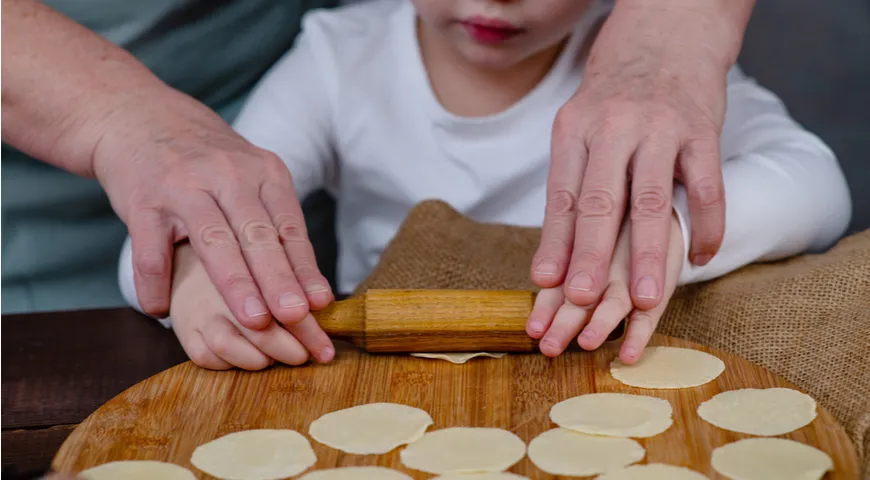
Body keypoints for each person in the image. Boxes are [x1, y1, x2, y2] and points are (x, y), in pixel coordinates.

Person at [117, 0, 851, 370]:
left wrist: (669, 235)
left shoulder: (651, 70)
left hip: (581, 377)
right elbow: (187, 200)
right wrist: (192, 274)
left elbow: (820, 188)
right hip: (372, 381)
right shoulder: (338, 60)